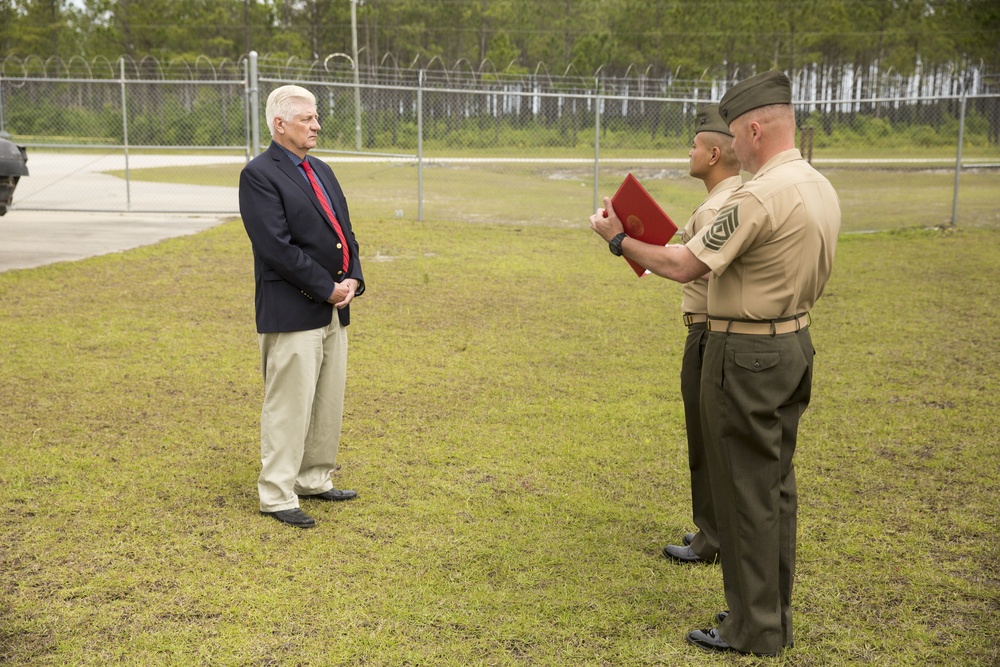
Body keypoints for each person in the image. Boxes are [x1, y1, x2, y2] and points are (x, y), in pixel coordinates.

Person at [590, 70, 840, 656]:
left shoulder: (759, 193)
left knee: (745, 495)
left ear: (755, 128)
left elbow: (683, 266)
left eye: (736, 135)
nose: (733, 146)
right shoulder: (818, 183)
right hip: (793, 343)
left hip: (747, 351)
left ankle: (753, 628)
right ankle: (770, 616)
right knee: (775, 491)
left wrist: (617, 240)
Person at [239, 84, 365, 529]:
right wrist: (324, 288)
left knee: (327, 400)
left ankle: (314, 478)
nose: (317, 125)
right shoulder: (259, 174)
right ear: (280, 124)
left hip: (334, 305)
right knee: (289, 403)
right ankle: (276, 493)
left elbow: (343, 229)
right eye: (307, 118)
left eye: (316, 117)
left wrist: (353, 278)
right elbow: (276, 247)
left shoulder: (322, 169)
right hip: (293, 309)